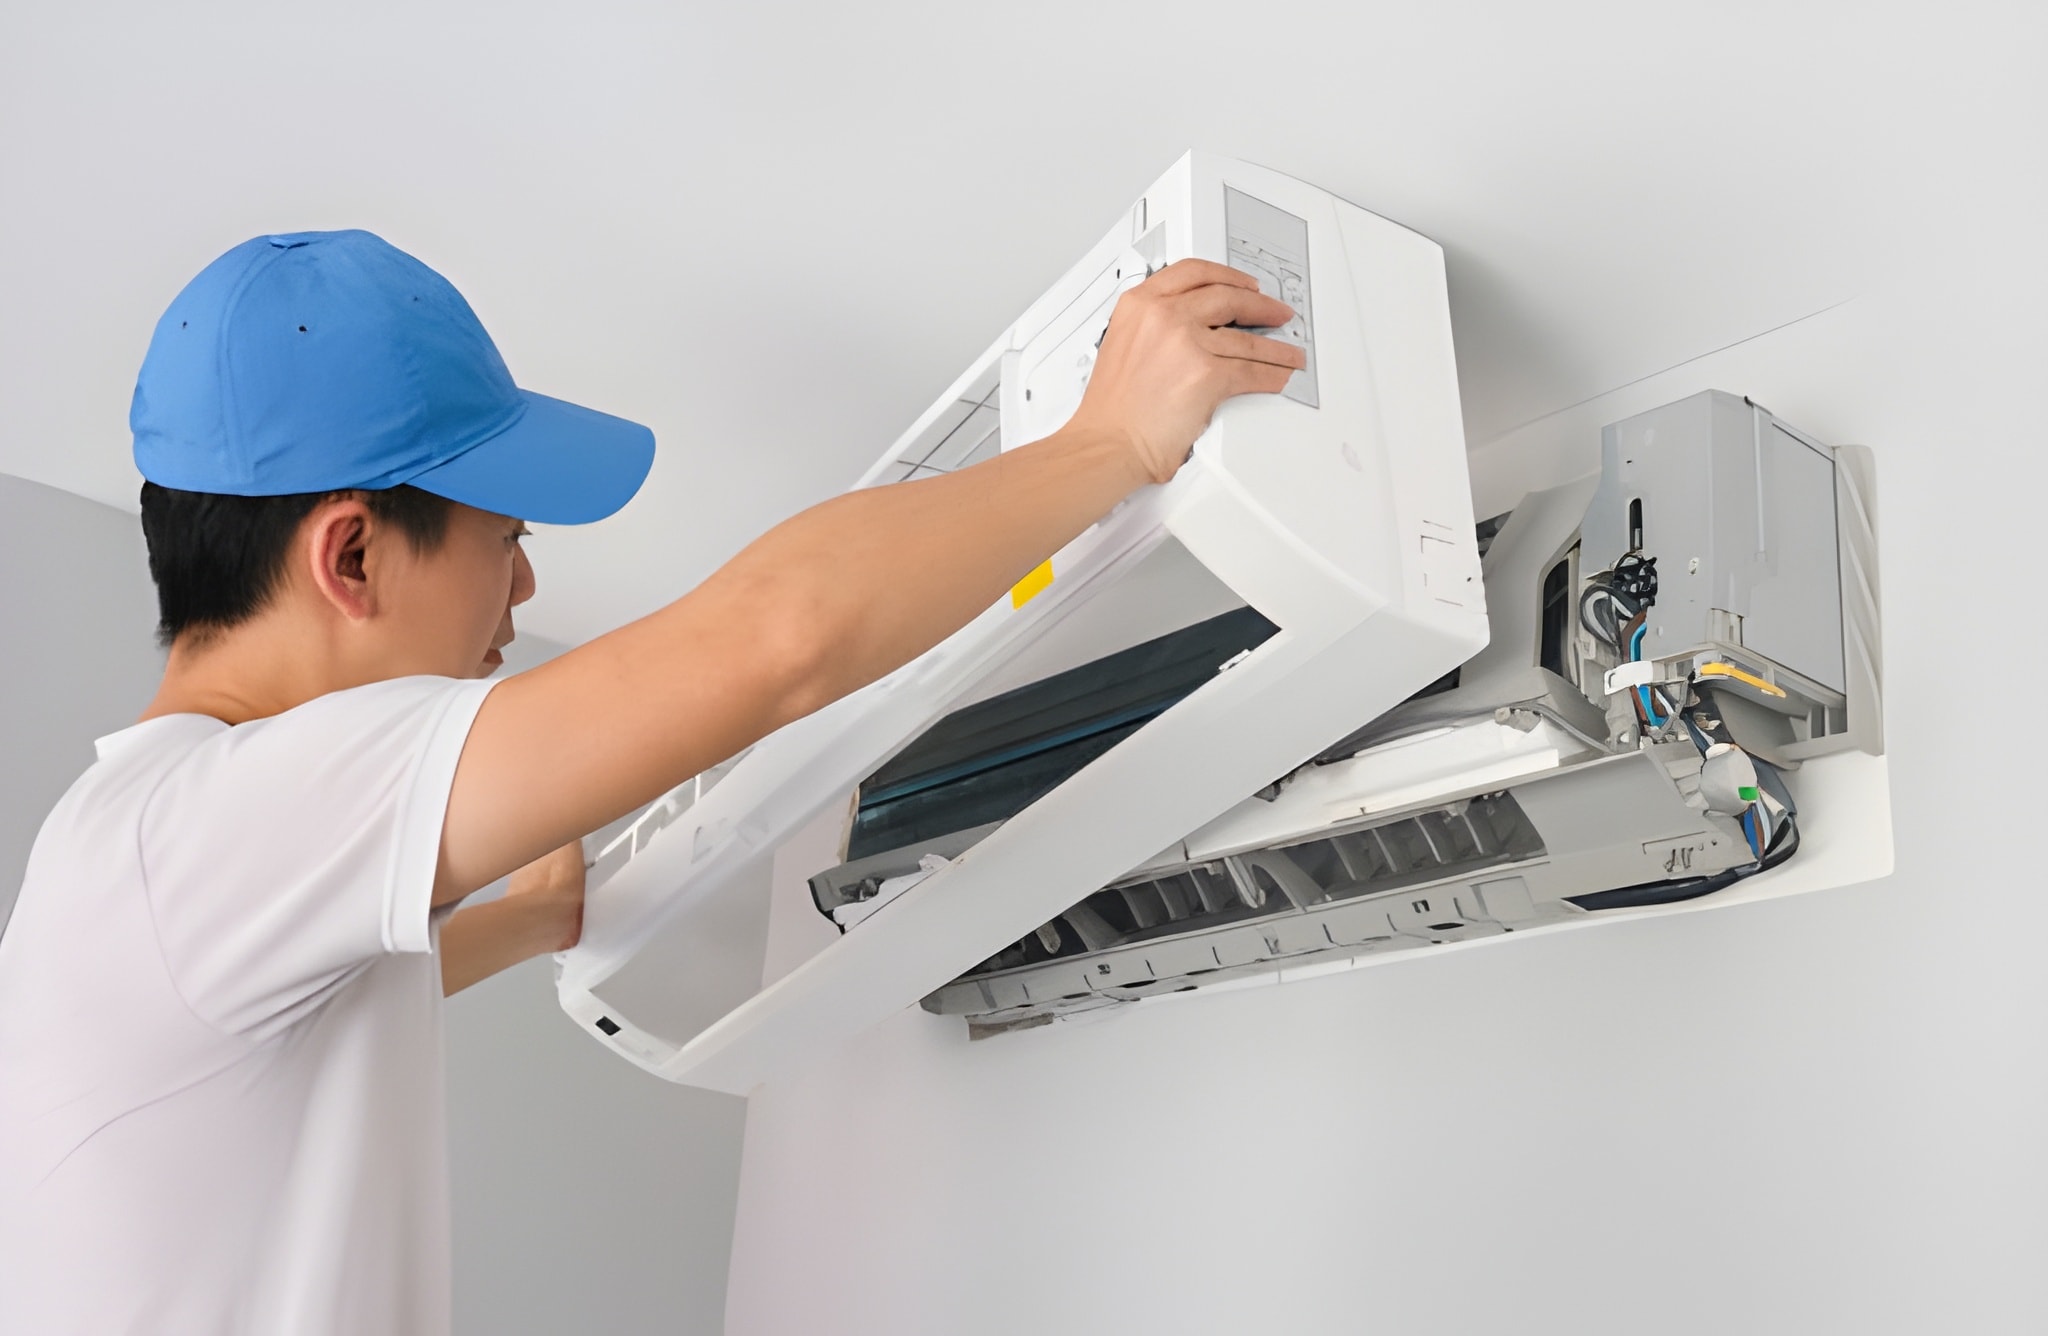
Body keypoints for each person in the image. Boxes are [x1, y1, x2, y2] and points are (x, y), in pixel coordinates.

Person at [0, 229, 1303, 1333]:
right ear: (351, 556)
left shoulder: (142, 851)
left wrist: (522, 922)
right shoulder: (223, 814)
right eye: (503, 543)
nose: (520, 589)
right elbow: (777, 646)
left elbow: (298, 1026)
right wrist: (1112, 440)